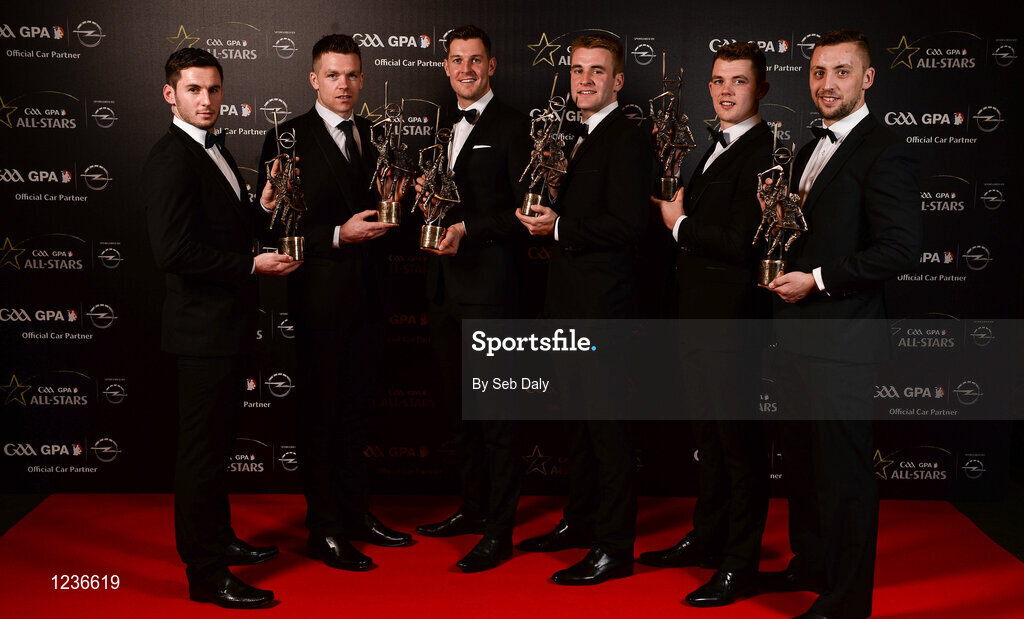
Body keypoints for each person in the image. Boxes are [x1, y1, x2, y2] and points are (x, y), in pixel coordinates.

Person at [761, 29, 921, 619]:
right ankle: (811, 564)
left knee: (845, 476)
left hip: (844, 341)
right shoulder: (807, 148)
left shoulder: (885, 149)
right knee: (804, 467)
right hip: (796, 335)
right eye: (818, 72)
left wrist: (819, 279)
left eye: (842, 72)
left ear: (868, 78)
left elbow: (899, 249)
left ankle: (847, 600)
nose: (827, 84)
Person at [144, 47, 301, 608]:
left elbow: (229, 224)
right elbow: (174, 252)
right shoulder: (171, 158)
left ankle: (221, 539)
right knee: (201, 456)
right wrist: (251, 266)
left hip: (228, 328)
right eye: (193, 89)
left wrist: (263, 204)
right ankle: (206, 574)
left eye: (213, 89)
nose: (206, 99)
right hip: (200, 335)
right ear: (171, 94)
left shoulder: (216, 148)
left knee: (218, 447)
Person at [256, 33, 411, 573]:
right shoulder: (285, 138)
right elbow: (274, 226)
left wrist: (400, 205)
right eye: (332, 75)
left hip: (371, 298)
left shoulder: (378, 135)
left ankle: (356, 513)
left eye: (351, 75)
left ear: (362, 79)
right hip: (320, 301)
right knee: (321, 416)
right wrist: (339, 236)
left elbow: (390, 216)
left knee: (357, 414)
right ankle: (323, 529)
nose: (343, 84)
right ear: (313, 79)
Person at [516, 33, 653, 585]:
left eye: (598, 71)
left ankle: (614, 547)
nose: (585, 80)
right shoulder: (573, 137)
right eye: (577, 70)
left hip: (604, 312)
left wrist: (558, 228)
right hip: (567, 306)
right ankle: (580, 520)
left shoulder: (629, 138)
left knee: (608, 431)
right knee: (578, 425)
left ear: (618, 81)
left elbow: (630, 225)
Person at [643, 41, 772, 607]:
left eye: (738, 81)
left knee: (739, 448)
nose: (725, 91)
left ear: (761, 89)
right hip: (697, 320)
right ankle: (708, 538)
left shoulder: (765, 151)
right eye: (718, 80)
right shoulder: (717, 145)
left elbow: (744, 242)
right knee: (711, 444)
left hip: (733, 325)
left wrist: (678, 224)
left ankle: (740, 565)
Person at [412, 25, 531, 573]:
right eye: (457, 60)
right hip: (444, 290)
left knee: (498, 418)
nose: (466, 69)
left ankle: (499, 532)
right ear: (446, 67)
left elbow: (527, 211)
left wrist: (467, 229)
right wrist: (427, 201)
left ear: (491, 66)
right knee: (462, 412)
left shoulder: (515, 126)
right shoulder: (442, 128)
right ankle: (474, 507)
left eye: (475, 60)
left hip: (492, 292)